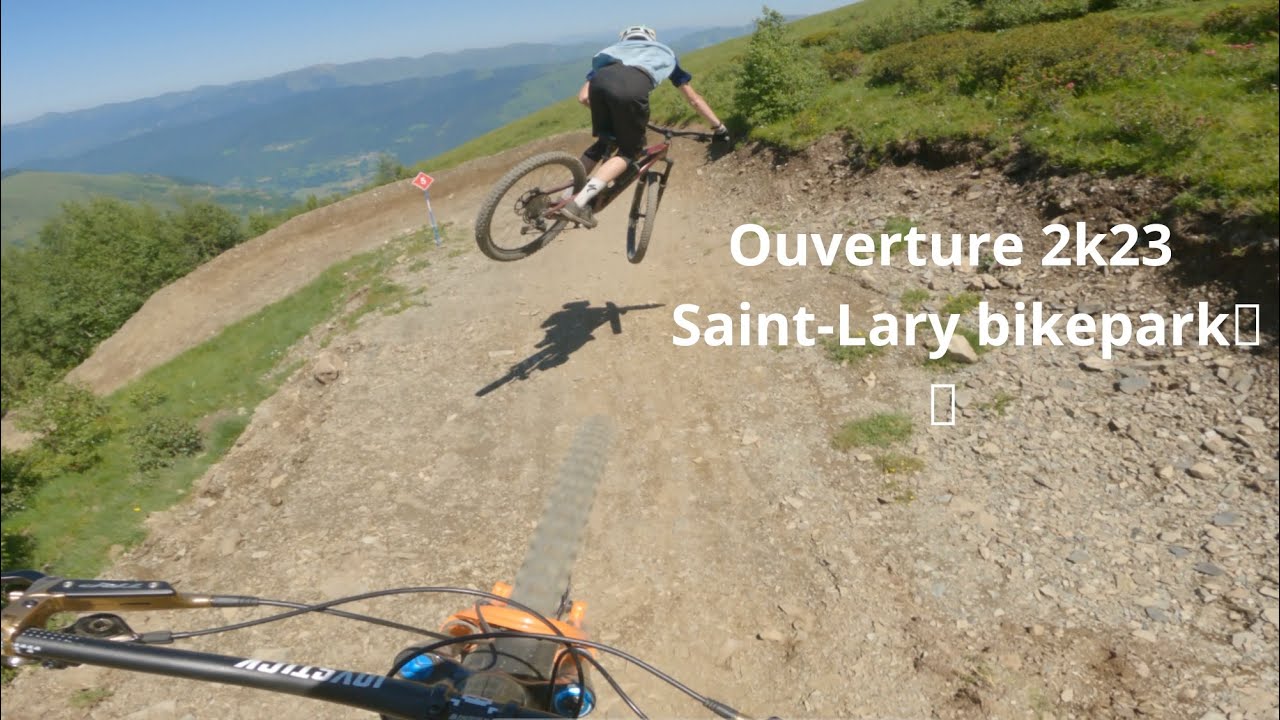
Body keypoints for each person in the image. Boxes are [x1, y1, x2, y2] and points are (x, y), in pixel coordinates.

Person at [554, 25, 729, 228]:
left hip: (599, 86)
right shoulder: (663, 54)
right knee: (629, 152)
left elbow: (583, 97)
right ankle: (578, 203)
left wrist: (614, 115)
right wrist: (719, 127)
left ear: (625, 39)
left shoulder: (611, 55)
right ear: (651, 40)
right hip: (631, 91)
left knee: (603, 144)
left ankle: (563, 198)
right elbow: (694, 100)